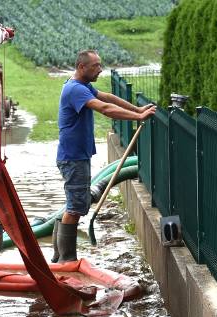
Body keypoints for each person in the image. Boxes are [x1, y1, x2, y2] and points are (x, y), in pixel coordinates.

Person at [52, 50, 156, 264]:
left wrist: (136, 108)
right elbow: (105, 108)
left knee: (76, 204)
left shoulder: (82, 86)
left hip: (77, 156)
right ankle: (66, 260)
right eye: (95, 66)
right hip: (73, 158)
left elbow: (107, 97)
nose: (100, 69)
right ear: (82, 67)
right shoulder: (75, 90)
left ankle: (60, 256)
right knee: (74, 208)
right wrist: (138, 116)